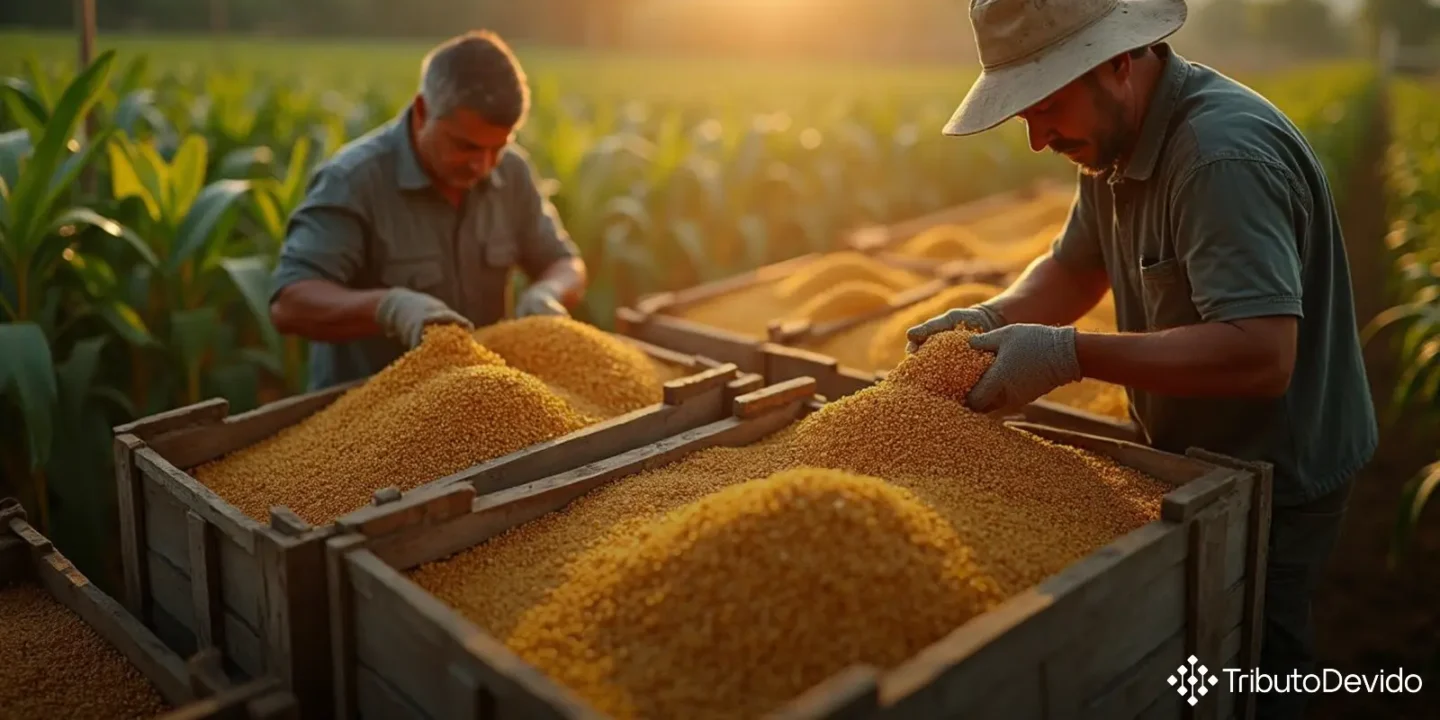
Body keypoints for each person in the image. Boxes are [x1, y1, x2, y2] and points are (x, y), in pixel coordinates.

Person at [905, 0, 1378, 717]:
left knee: (1254, 660)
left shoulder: (1219, 159)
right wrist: (994, 316)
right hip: (1194, 450)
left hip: (1279, 465)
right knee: (1191, 659)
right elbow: (1074, 267)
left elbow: (1261, 354)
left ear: (1117, 61)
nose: (1037, 138)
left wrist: (1067, 353)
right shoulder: (1112, 141)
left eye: (1045, 106)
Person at [269, 30, 586, 391]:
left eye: (498, 147)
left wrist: (548, 292)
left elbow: (565, 263)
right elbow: (290, 304)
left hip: (479, 397)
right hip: (371, 406)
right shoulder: (353, 181)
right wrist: (389, 308)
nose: (483, 165)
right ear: (422, 111)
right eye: (465, 146)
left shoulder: (512, 172)